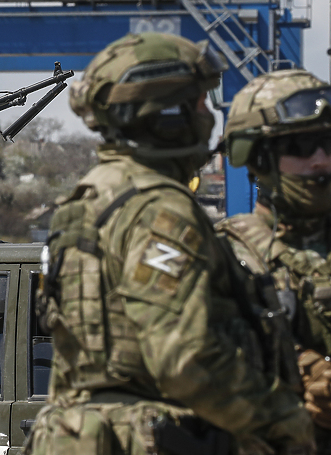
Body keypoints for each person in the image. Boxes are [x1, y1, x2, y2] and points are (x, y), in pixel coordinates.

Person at [25, 32, 314, 455]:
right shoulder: (159, 208)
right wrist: (285, 419)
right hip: (148, 437)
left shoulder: (89, 197)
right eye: (199, 103)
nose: (209, 116)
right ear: (167, 115)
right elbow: (185, 360)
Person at [217, 69, 331, 448]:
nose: (321, 161)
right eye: (300, 146)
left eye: (328, 143)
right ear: (259, 157)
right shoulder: (222, 255)